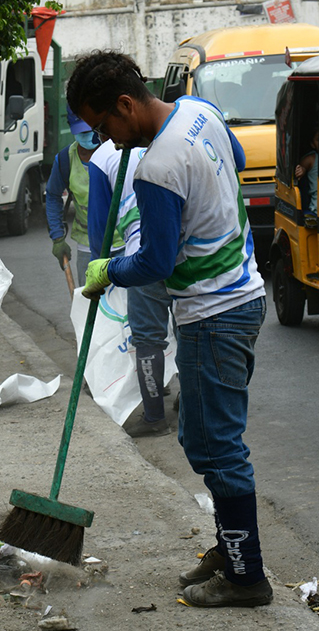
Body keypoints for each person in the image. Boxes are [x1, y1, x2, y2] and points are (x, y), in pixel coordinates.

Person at [67, 51, 271, 608]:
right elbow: (232, 157)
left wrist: (109, 269)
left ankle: (246, 574)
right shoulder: (199, 111)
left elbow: (155, 263)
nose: (104, 139)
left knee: (216, 446)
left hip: (212, 314)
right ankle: (232, 548)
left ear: (126, 105)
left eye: (104, 124)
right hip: (244, 294)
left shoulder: (156, 168)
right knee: (200, 437)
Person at [87, 141, 174, 437]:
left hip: (144, 253)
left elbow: (100, 224)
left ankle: (154, 417)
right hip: (184, 247)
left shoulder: (101, 158)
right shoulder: (165, 136)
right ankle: (189, 405)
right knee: (190, 329)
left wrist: (99, 269)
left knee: (148, 337)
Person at [46, 106, 121, 285]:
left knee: (123, 307)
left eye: (89, 130)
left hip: (123, 243)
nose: (86, 136)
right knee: (90, 303)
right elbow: (52, 196)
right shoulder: (65, 160)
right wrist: (57, 237)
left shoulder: (117, 152)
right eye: (81, 132)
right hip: (88, 245)